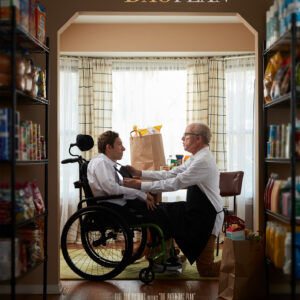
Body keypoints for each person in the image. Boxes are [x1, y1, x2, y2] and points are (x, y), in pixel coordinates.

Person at [124, 122, 224, 277]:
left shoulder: (202, 161)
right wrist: (140, 173)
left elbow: (175, 183)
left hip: (207, 217)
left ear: (198, 139)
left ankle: (238, 263)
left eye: (186, 135)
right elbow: (171, 173)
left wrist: (139, 185)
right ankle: (165, 253)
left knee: (206, 270)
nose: (182, 138)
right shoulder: (197, 157)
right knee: (163, 211)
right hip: (197, 210)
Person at [87, 130, 180, 271]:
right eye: (120, 145)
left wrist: (141, 192)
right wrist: (140, 194)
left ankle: (162, 254)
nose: (123, 148)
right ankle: (162, 256)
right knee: (159, 213)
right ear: (108, 147)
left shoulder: (108, 163)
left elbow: (118, 187)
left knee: (161, 209)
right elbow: (112, 189)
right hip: (112, 208)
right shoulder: (101, 164)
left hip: (117, 203)